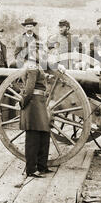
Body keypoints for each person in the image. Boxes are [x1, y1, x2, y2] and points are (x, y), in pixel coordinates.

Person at [19, 42, 65, 178]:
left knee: (44, 136)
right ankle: (31, 169)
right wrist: (23, 103)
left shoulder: (37, 64)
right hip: (33, 104)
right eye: (41, 51)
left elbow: (43, 76)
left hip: (39, 104)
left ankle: (42, 166)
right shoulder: (32, 66)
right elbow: (29, 89)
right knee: (33, 138)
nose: (43, 53)